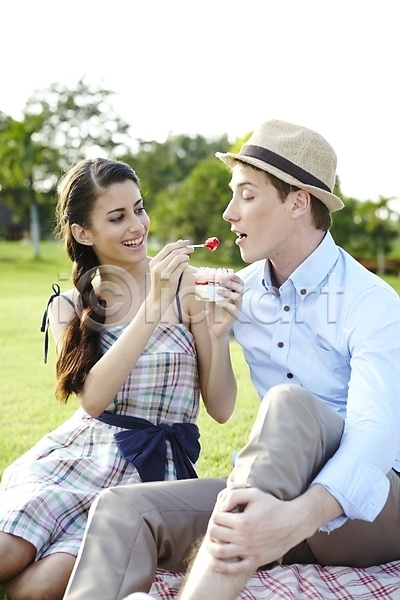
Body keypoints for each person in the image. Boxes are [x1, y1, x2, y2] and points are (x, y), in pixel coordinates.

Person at [63, 120, 400, 600]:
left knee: (289, 403)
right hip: (273, 492)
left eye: (246, 195)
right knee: (122, 510)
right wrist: (213, 334)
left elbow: (375, 438)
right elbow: (159, 307)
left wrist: (294, 518)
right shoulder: (240, 291)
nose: (228, 212)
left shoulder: (371, 302)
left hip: (371, 509)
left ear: (298, 202)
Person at [0, 157, 241, 600]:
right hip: (79, 457)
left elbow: (222, 409)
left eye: (139, 208)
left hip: (148, 474)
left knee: (43, 587)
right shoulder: (70, 305)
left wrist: (219, 334)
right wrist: (153, 304)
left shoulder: (188, 287)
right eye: (117, 217)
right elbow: (93, 401)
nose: (137, 225)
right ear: (83, 233)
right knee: (5, 554)